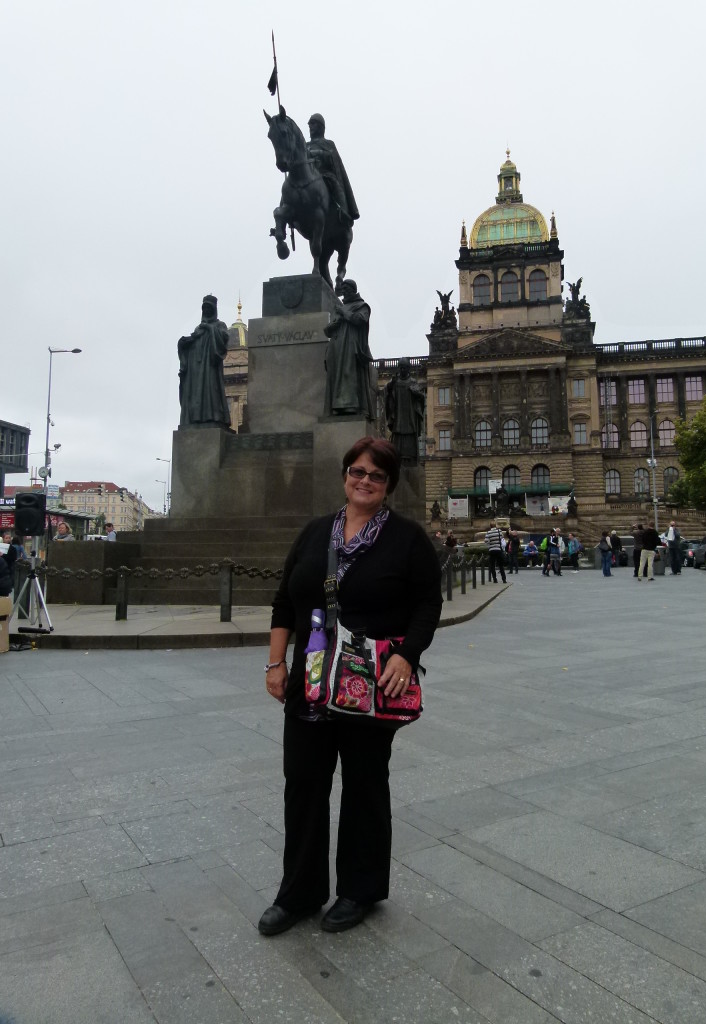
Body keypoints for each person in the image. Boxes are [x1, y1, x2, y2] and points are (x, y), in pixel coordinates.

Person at [258, 437, 442, 937]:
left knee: (364, 786)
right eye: (357, 472)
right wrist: (276, 664)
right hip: (311, 683)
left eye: (376, 476)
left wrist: (407, 655)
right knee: (303, 788)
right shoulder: (316, 532)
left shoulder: (407, 538)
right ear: (345, 475)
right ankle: (299, 893)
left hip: (368, 685)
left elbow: (429, 603)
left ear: (388, 486)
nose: (364, 481)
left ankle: (359, 889)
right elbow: (283, 602)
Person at [177, 294, 231, 429]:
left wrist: (209, 328)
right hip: (197, 366)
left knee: (210, 391)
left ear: (214, 309)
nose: (206, 311)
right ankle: (197, 418)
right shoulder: (198, 328)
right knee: (197, 393)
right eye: (204, 308)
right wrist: (184, 343)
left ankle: (213, 417)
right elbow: (194, 342)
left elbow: (223, 340)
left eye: (209, 308)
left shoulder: (220, 325)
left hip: (210, 366)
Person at [323, 280, 375, 418]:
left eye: (345, 288)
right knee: (336, 378)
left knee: (349, 375)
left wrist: (344, 313)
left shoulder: (362, 306)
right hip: (337, 348)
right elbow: (327, 330)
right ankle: (336, 408)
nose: (343, 291)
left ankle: (350, 406)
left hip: (351, 347)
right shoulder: (339, 308)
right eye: (342, 288)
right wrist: (334, 324)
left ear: (353, 289)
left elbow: (359, 320)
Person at [306, 113, 360, 228]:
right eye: (309, 124)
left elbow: (331, 158)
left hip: (325, 175)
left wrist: (318, 153)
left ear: (321, 127)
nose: (310, 127)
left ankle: (343, 212)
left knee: (336, 186)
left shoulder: (328, 143)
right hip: (309, 178)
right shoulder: (305, 145)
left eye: (313, 124)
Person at [384, 358, 425, 465]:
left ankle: (411, 458)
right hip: (398, 414)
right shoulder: (395, 382)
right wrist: (389, 386)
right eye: (400, 368)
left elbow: (421, 397)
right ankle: (398, 457)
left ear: (408, 369)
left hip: (410, 414)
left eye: (404, 368)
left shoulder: (413, 382)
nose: (402, 370)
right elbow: (387, 393)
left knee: (410, 433)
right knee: (398, 434)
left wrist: (417, 394)